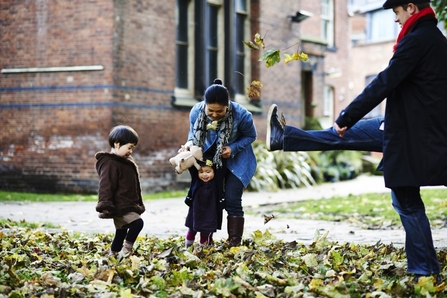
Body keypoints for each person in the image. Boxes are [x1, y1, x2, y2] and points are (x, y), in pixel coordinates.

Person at [268, 0, 446, 283]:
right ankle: (284, 138)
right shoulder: (431, 38)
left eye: (397, 13)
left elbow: (384, 82)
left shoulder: (419, 40)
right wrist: (346, 121)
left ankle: (425, 270)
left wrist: (347, 114)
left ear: (410, 8)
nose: (396, 20)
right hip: (403, 128)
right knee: (344, 135)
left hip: (412, 135)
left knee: (408, 202)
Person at [180, 78, 257, 247]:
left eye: (220, 111)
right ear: (204, 104)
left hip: (238, 160)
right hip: (210, 162)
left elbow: (251, 136)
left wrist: (233, 147)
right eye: (211, 110)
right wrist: (188, 145)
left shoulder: (242, 115)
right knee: (209, 197)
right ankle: (207, 239)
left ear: (227, 105)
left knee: (231, 198)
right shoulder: (196, 112)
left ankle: (234, 243)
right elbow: (192, 136)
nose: (214, 115)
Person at [95, 125, 146, 258]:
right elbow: (105, 185)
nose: (131, 151)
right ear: (117, 144)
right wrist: (105, 204)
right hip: (119, 204)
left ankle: (113, 254)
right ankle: (126, 249)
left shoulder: (124, 162)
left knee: (121, 231)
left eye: (133, 148)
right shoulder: (110, 164)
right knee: (137, 223)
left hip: (127, 203)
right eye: (129, 147)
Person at [184, 155, 224, 248]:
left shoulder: (216, 182)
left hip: (210, 214)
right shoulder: (196, 180)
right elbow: (191, 167)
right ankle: (188, 247)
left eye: (208, 172)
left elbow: (221, 169)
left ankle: (202, 249)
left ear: (214, 172)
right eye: (201, 172)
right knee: (191, 230)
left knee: (205, 233)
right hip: (195, 212)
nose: (204, 174)